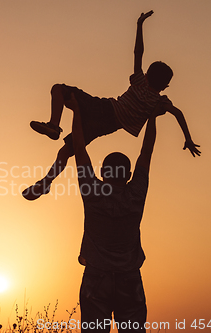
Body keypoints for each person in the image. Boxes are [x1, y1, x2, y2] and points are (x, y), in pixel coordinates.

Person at [22, 10, 200, 201]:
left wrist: (139, 25)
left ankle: (54, 126)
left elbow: (138, 52)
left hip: (104, 108)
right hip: (107, 127)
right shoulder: (158, 102)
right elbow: (179, 113)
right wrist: (188, 139)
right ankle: (47, 181)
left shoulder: (140, 82)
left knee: (58, 89)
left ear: (147, 74)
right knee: (68, 150)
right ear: (166, 86)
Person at [71, 88, 167, 332]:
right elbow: (147, 152)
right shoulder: (136, 194)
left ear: (103, 173)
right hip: (129, 278)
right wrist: (153, 117)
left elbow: (80, 149)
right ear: (129, 174)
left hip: (96, 277)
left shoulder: (92, 191)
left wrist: (76, 112)